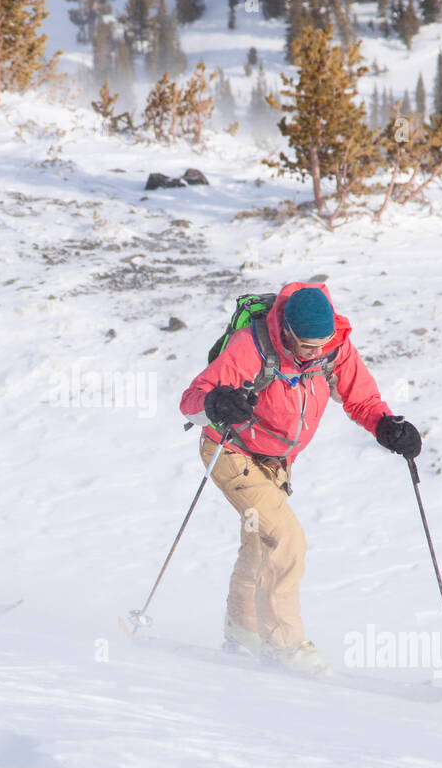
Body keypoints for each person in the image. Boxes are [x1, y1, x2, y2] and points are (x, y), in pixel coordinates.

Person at [179, 281, 422, 673]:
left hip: (276, 464)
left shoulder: (335, 347)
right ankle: (285, 644)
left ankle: (244, 629)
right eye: (307, 346)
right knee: (288, 540)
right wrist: (216, 402)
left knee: (260, 546)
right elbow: (191, 401)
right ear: (287, 332)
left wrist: (386, 428)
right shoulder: (252, 345)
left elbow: (361, 399)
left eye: (322, 343)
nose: (316, 352)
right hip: (231, 452)